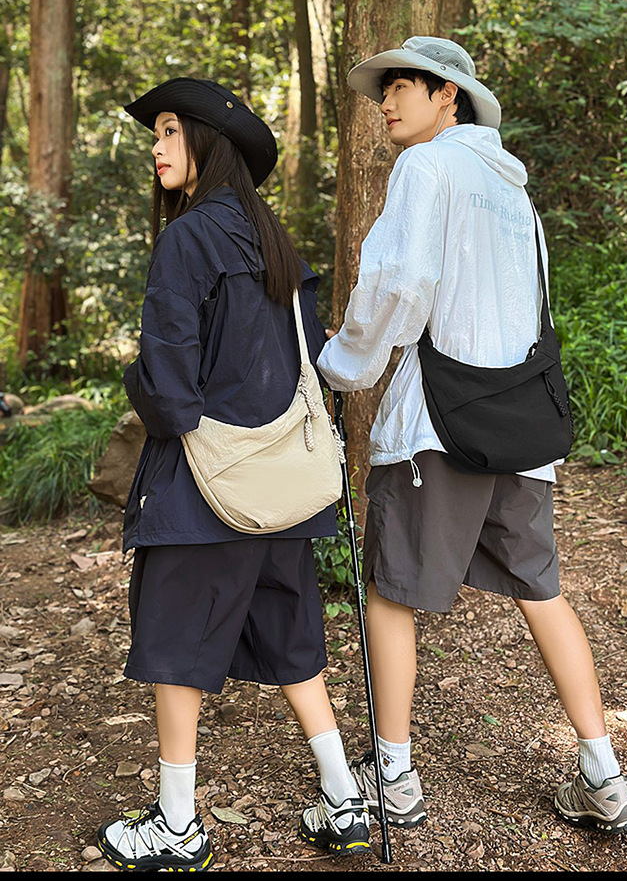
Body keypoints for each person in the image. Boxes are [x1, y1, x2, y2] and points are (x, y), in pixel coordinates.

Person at [317, 36, 627, 836]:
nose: (386, 101)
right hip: (521, 429)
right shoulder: (513, 189)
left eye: (404, 85)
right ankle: (604, 774)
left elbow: (400, 284)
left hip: (439, 426)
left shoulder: (426, 167)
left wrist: (342, 365)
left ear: (448, 97)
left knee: (391, 590)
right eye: (384, 89)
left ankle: (394, 776)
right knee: (543, 590)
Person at [95, 78, 370, 872]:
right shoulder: (274, 241)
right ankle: (344, 798)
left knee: (176, 648)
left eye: (169, 130)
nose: (156, 147)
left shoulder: (186, 239)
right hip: (283, 483)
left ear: (207, 143)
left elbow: (169, 389)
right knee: (293, 640)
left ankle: (178, 825)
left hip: (205, 487)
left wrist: (144, 388)